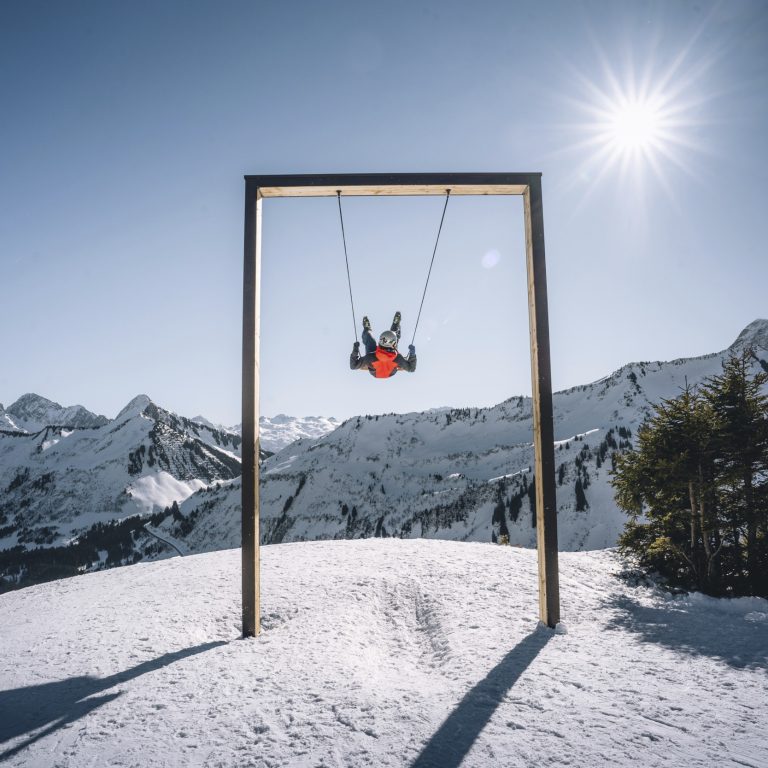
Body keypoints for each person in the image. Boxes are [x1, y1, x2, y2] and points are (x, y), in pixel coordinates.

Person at [350, 311, 417, 378]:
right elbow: (411, 368)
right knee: (394, 336)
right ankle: (395, 325)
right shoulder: (398, 358)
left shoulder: (370, 357)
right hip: (390, 371)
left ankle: (367, 329)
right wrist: (412, 354)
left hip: (375, 371)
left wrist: (355, 350)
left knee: (370, 341)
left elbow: (353, 366)